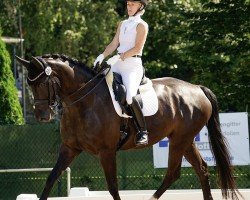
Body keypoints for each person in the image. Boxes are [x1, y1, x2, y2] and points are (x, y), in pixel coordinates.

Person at [93, 0, 149, 146]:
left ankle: (142, 131)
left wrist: (120, 56)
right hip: (117, 64)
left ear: (140, 6)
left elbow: (137, 48)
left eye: (132, 4)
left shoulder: (142, 25)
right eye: (128, 4)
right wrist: (102, 56)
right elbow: (113, 44)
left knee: (130, 96)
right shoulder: (122, 23)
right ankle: (116, 126)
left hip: (132, 66)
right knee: (100, 88)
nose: (129, 7)